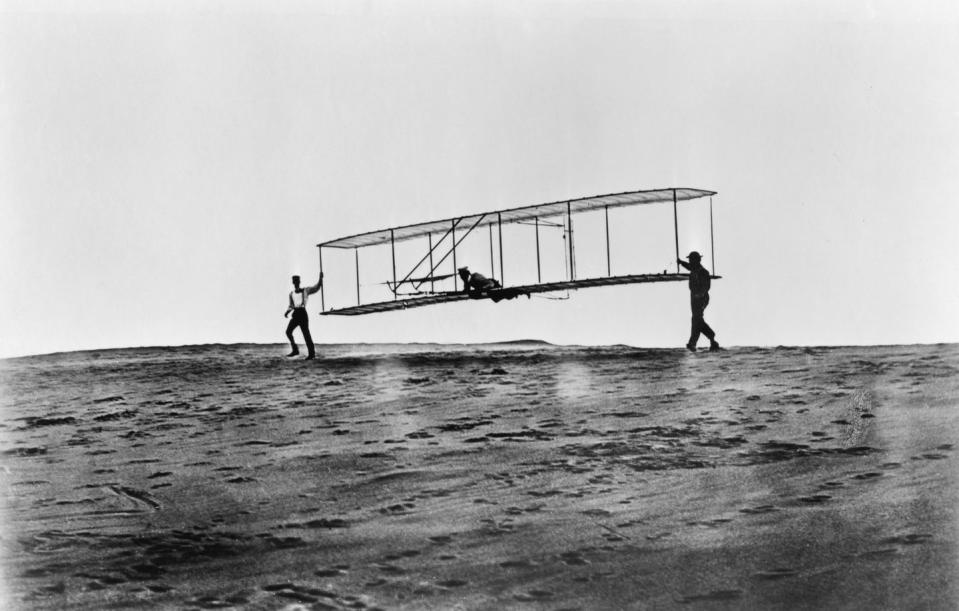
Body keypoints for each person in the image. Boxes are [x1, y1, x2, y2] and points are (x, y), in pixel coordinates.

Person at [677, 251, 720, 352]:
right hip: (694, 298)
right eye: (690, 260)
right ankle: (710, 339)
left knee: (697, 319)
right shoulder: (693, 268)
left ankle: (695, 342)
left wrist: (699, 294)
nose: (690, 262)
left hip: (701, 298)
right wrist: (680, 262)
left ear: (698, 260)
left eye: (692, 260)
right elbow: (688, 266)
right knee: (696, 319)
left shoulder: (703, 272)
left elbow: (706, 287)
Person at [284, 272, 323, 359]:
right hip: (295, 314)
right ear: (293, 282)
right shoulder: (291, 294)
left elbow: (316, 287)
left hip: (302, 313)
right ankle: (295, 350)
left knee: (306, 334)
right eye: (294, 281)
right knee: (288, 332)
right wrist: (287, 312)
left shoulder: (305, 290)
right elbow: (291, 305)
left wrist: (320, 278)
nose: (296, 282)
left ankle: (311, 354)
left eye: (297, 281)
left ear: (299, 282)